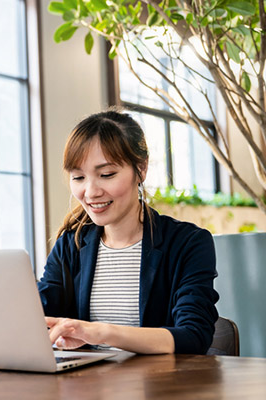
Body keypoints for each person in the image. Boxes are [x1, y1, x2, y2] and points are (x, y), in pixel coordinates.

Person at [38, 109, 219, 354]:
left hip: (159, 388)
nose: (90, 192)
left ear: (141, 170)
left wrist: (101, 332)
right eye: (78, 177)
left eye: (106, 174)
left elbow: (193, 335)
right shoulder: (71, 245)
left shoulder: (188, 243)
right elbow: (37, 314)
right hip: (88, 388)